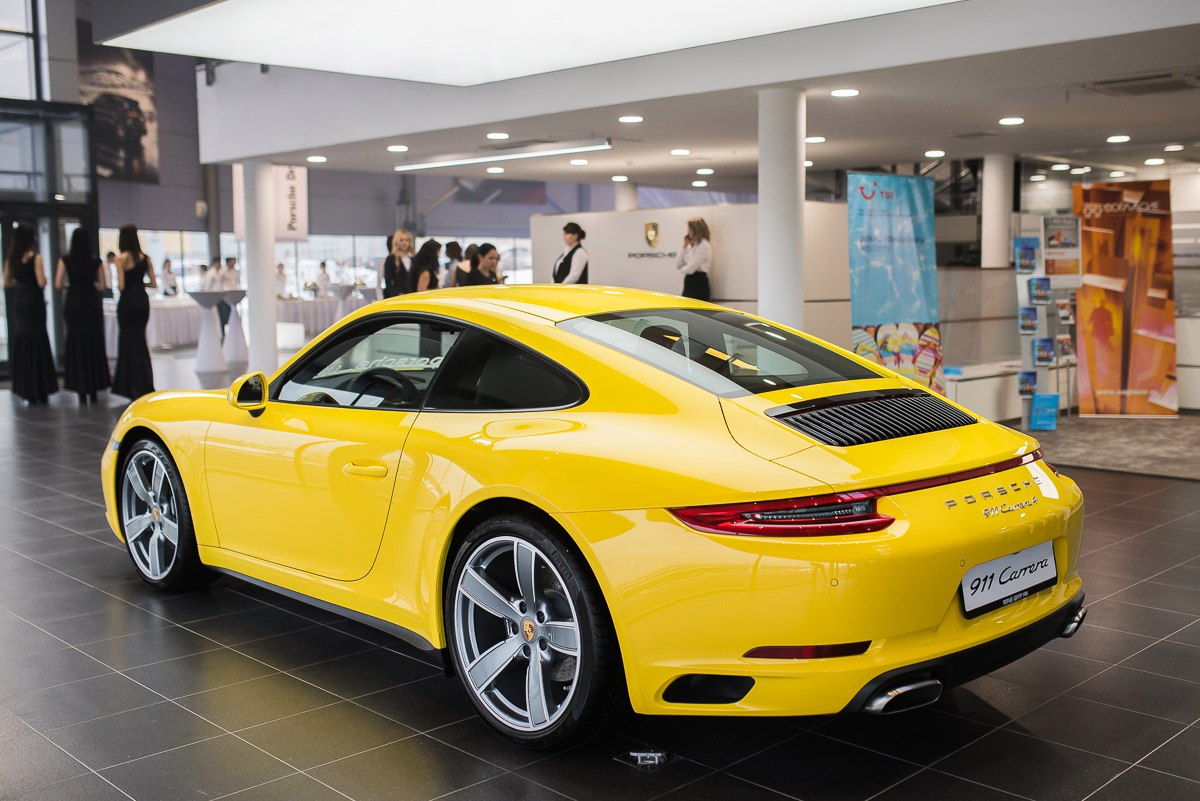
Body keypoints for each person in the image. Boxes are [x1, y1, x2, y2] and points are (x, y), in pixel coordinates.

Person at [3, 223, 58, 404]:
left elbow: (6, 282)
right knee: (38, 339)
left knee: (23, 340)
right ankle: (40, 387)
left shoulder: (12, 258)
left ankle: (25, 387)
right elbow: (41, 282)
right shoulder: (35, 258)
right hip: (34, 301)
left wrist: (20, 284)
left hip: (20, 300)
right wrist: (43, 280)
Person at [55, 227, 111, 403]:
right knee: (93, 343)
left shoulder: (65, 260)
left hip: (73, 302)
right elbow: (102, 286)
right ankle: (94, 387)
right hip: (90, 302)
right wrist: (90, 285)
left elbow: (58, 284)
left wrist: (71, 286)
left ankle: (80, 389)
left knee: (76, 343)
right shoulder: (96, 261)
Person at [110, 224, 157, 400]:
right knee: (140, 341)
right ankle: (145, 383)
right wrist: (139, 284)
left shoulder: (120, 259)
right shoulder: (146, 258)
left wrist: (131, 284)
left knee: (127, 341)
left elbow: (121, 286)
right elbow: (153, 284)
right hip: (142, 300)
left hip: (128, 302)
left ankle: (129, 386)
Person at [675, 217, 712, 301]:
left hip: (699, 282)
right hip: (690, 282)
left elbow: (690, 269)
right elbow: (678, 264)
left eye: (690, 229)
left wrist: (683, 269)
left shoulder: (704, 245)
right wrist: (684, 246)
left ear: (696, 230)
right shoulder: (692, 246)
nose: (687, 231)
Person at [381, 228, 414, 298]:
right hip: (397, 296)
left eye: (407, 240)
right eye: (401, 240)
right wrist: (397, 294)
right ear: (397, 242)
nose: (404, 243)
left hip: (412, 295)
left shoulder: (413, 258)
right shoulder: (391, 259)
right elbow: (388, 281)